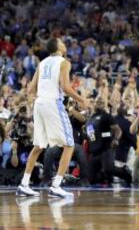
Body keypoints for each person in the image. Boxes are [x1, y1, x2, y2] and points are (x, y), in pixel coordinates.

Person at [16, 37, 88, 198]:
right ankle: (56, 186)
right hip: (53, 103)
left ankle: (24, 184)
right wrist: (82, 99)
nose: (64, 44)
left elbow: (30, 89)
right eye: (62, 42)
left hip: (39, 103)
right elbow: (65, 87)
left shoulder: (42, 63)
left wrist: (40, 98)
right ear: (58, 47)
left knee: (38, 145)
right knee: (69, 145)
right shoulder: (63, 62)